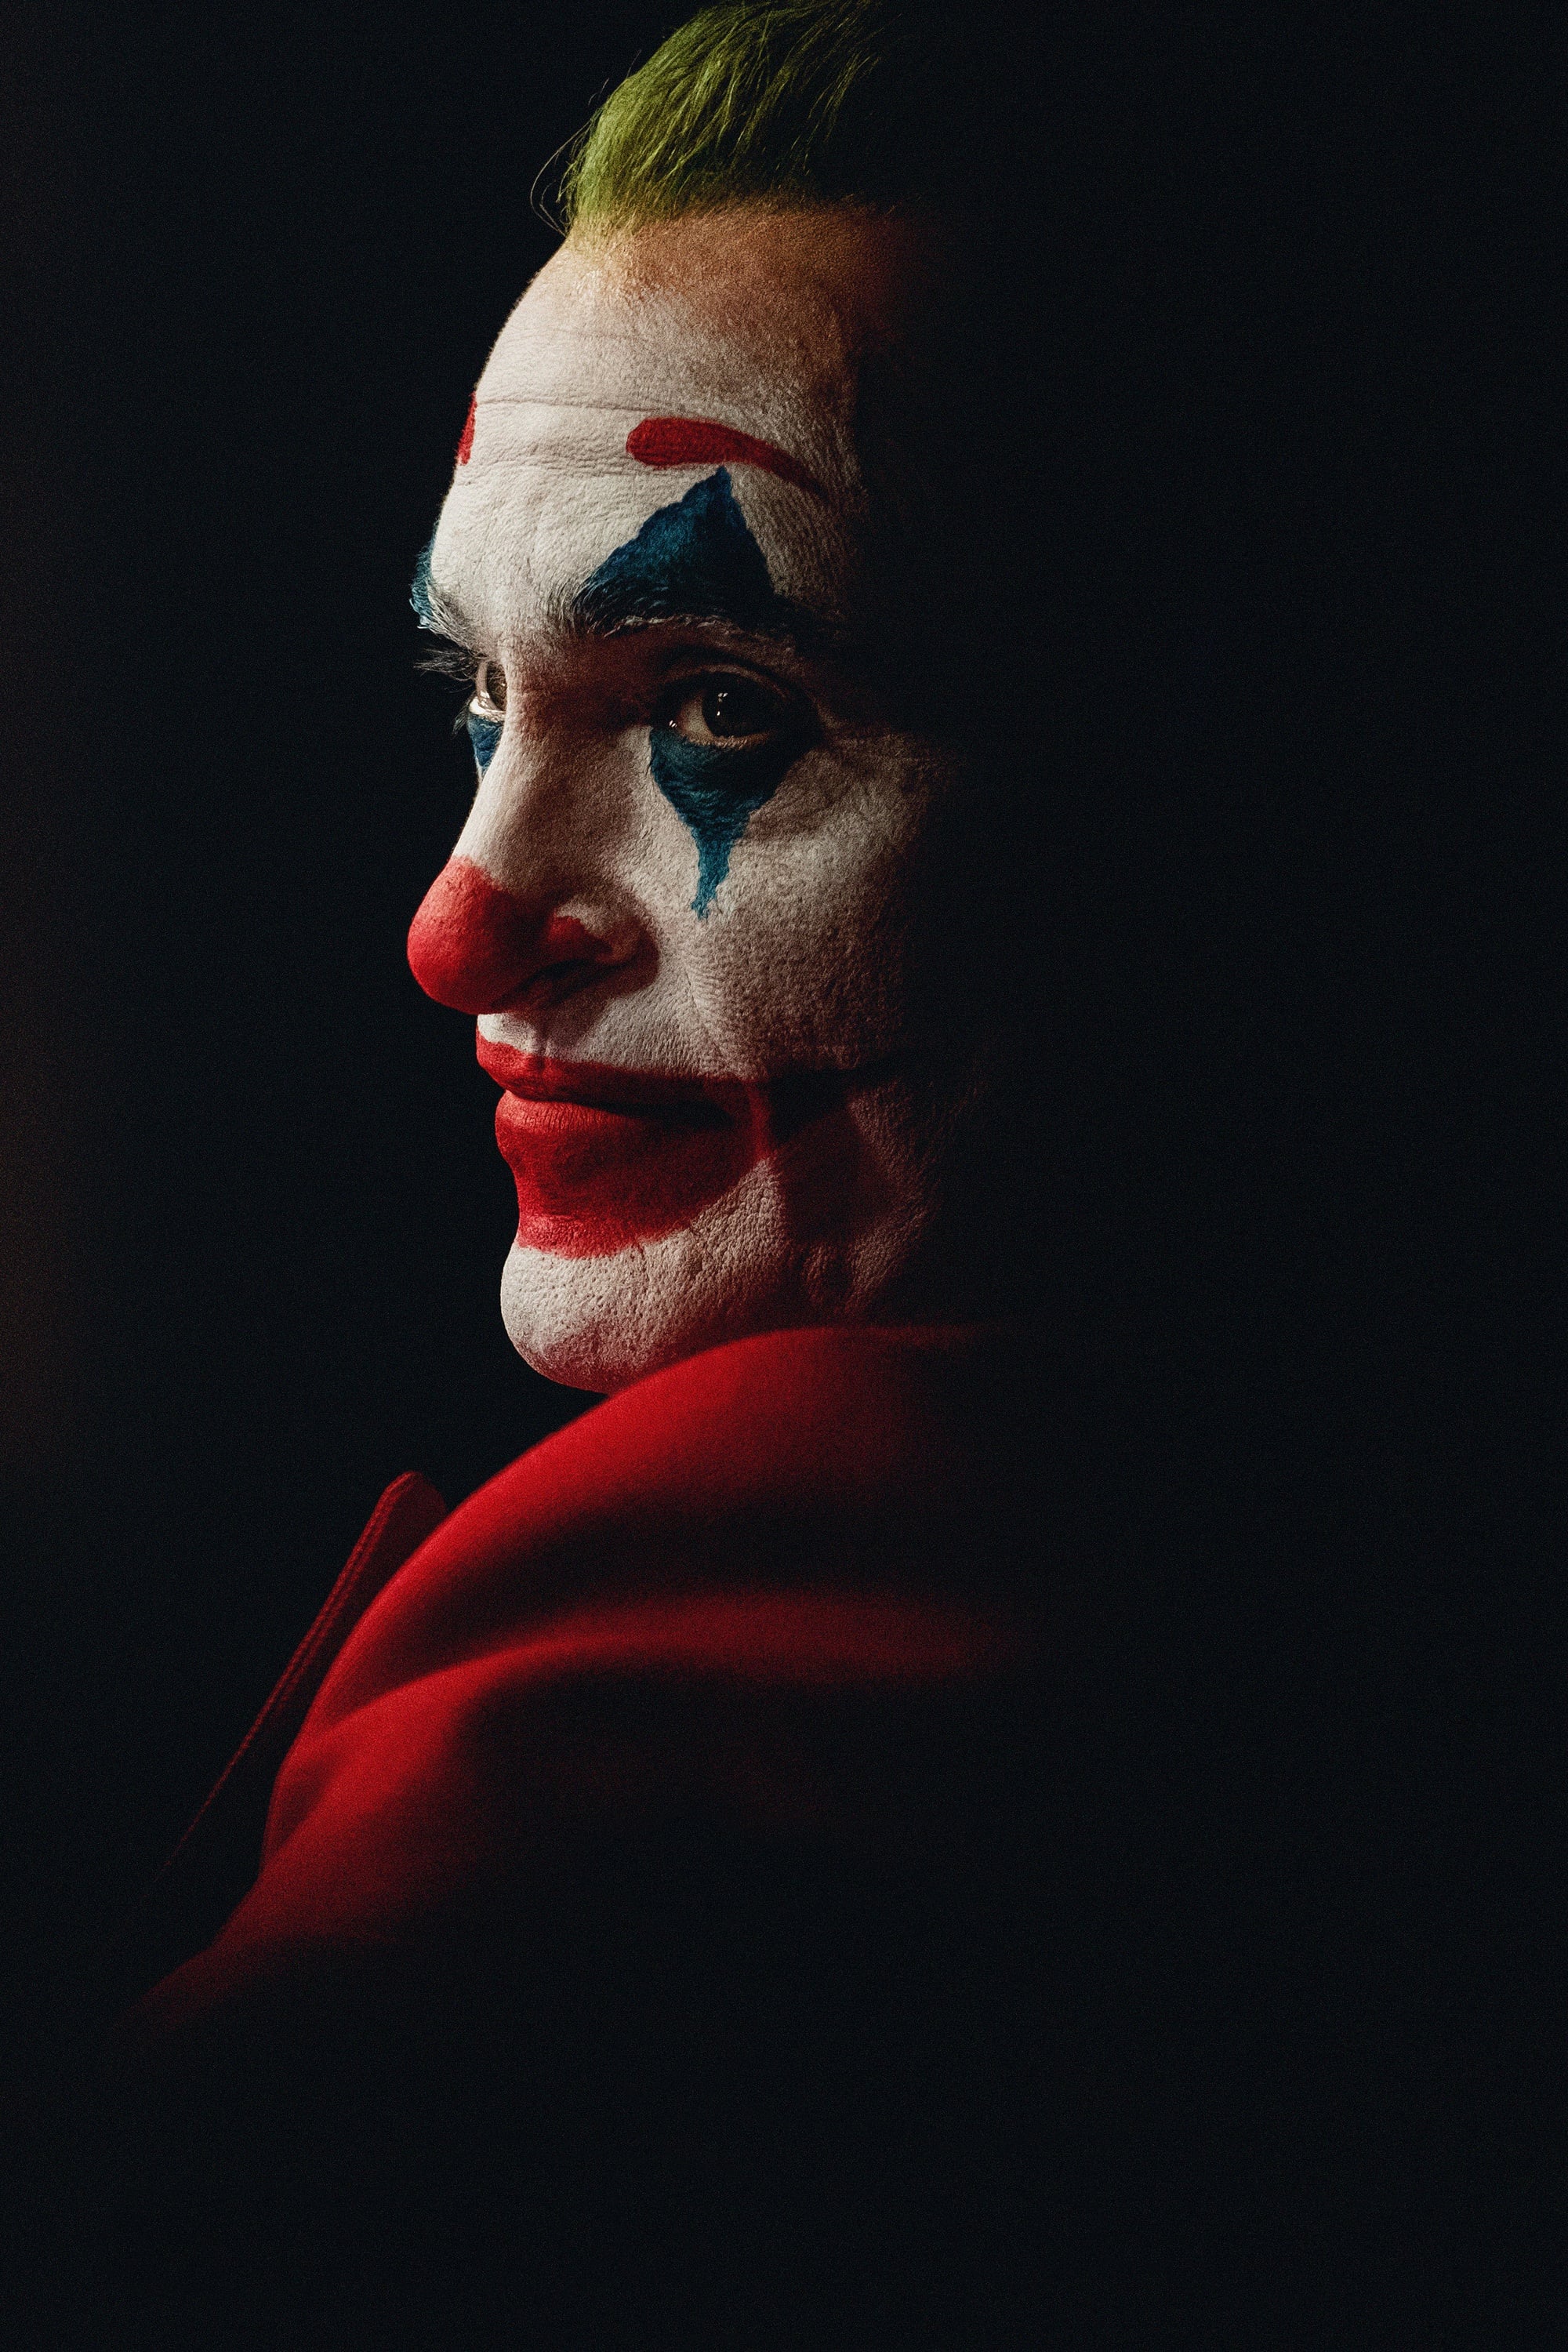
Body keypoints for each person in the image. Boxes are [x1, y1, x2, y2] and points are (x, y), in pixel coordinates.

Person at [19, 4, 1472, 2343]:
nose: (458, 922)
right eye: (476, 701)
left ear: (1235, 812)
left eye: (722, 707)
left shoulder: (684, 1671)